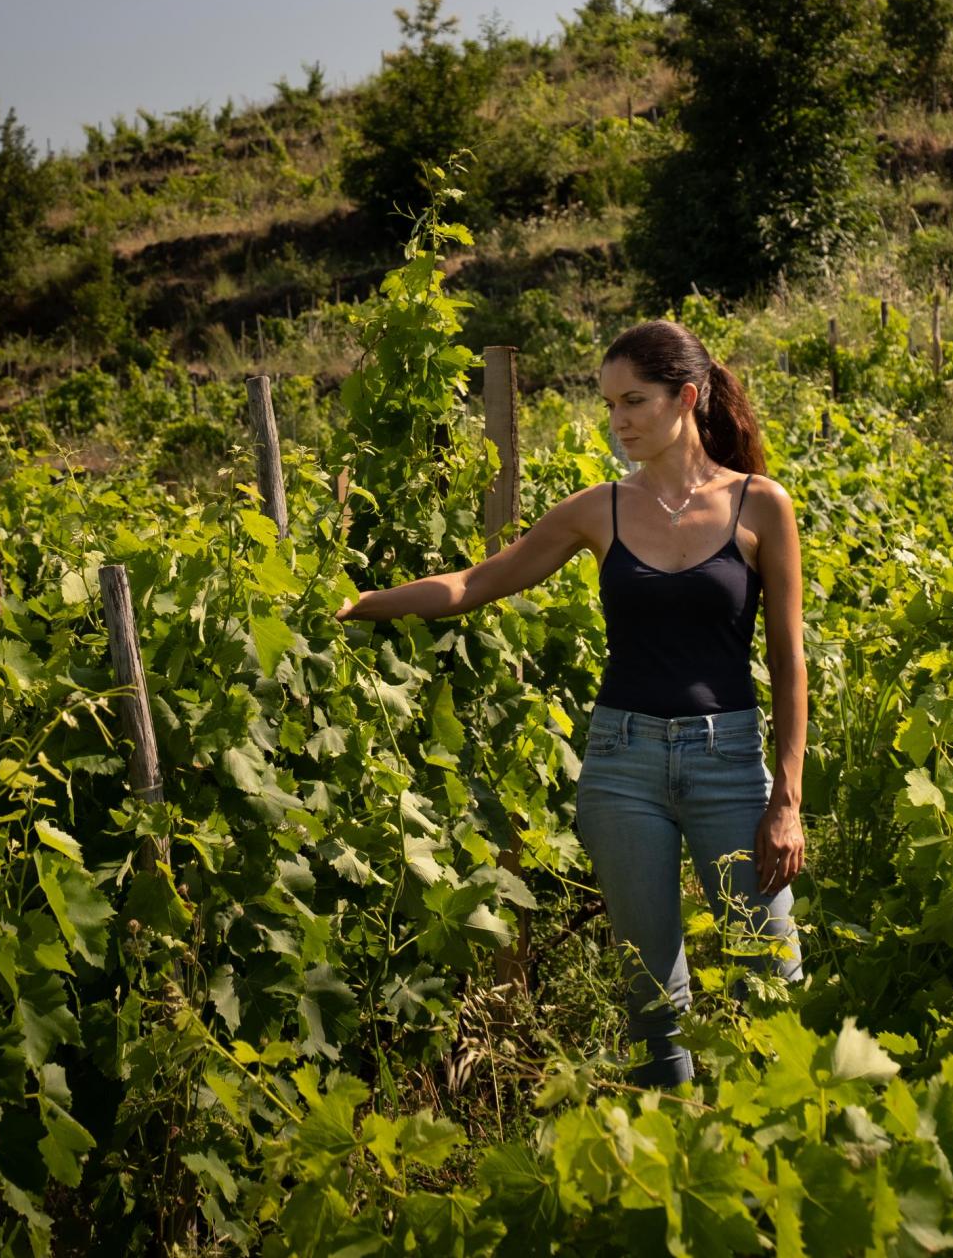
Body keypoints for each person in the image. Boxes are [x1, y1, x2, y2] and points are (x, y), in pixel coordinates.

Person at [333, 318, 807, 1086]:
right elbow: (470, 585)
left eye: (634, 402)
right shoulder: (599, 510)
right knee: (651, 997)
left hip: (731, 765)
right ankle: (668, 1168)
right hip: (624, 767)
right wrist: (356, 603)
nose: (617, 422)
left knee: (770, 979)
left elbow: (788, 661)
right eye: (610, 405)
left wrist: (786, 798)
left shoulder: (761, 507)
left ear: (685, 398)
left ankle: (785, 1160)